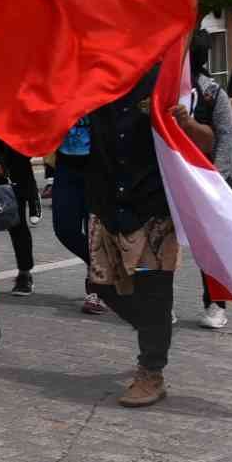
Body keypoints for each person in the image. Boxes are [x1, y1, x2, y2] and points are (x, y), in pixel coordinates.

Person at [85, 67, 178, 407]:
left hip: (152, 202)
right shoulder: (94, 77)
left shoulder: (167, 76)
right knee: (101, 286)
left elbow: (208, 137)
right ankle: (155, 329)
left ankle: (151, 371)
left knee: (155, 290)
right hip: (106, 199)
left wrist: (184, 122)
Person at [186, 44, 232, 330]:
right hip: (175, 179)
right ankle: (159, 304)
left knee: (213, 245)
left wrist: (214, 181)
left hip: (211, 181)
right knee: (160, 242)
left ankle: (215, 303)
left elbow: (228, 139)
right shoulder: (164, 91)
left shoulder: (212, 93)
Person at [52, 117, 104, 314]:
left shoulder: (102, 91)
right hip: (66, 168)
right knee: (64, 229)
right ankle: (99, 267)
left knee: (95, 231)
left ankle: (97, 290)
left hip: (97, 167)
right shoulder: (60, 90)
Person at [0, 136, 40, 295]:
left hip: (13, 170)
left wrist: (5, 162)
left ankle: (25, 273)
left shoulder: (12, 112)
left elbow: (26, 142)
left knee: (16, 224)